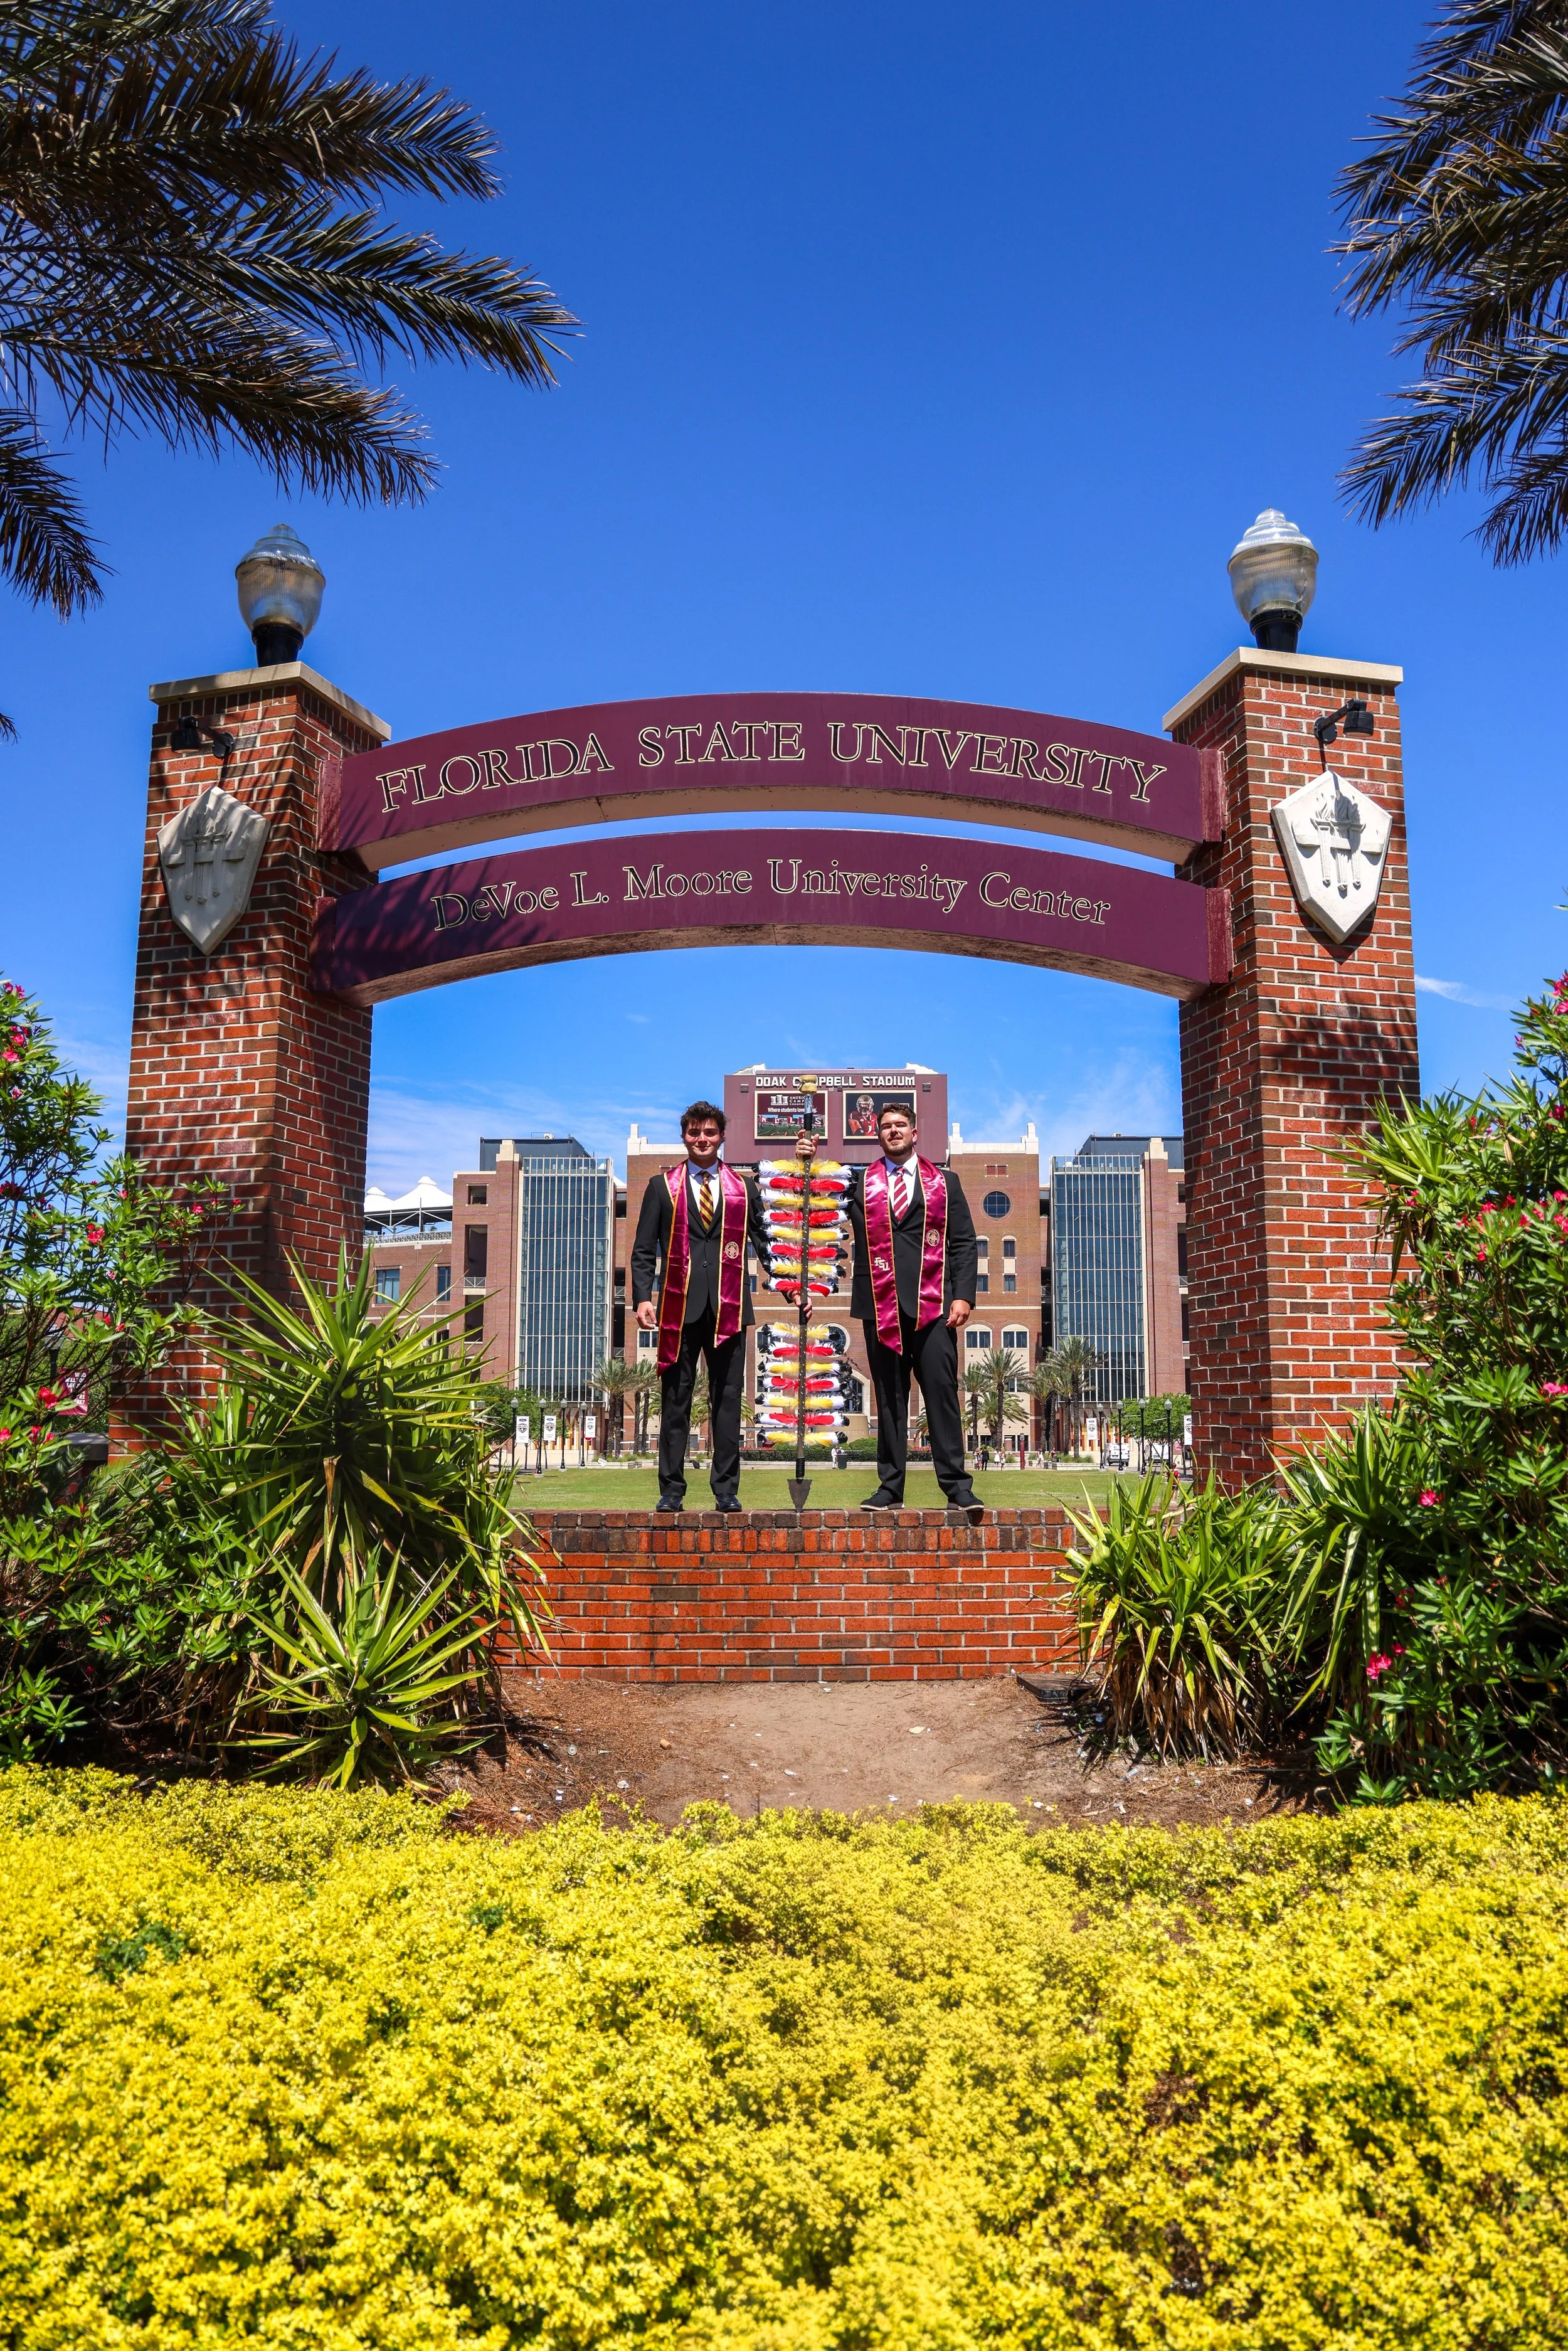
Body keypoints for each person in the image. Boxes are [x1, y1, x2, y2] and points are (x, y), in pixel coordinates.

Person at [791, 1101, 980, 1516]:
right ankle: (890, 1488)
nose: (894, 1131)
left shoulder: (945, 1183)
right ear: (879, 1135)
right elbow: (815, 1198)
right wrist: (808, 1161)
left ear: (914, 1133)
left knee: (942, 1395)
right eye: (886, 1127)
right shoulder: (862, 1183)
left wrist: (964, 1295)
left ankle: (957, 1488)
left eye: (900, 1125)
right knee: (889, 1398)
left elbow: (964, 1242)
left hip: (934, 1307)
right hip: (880, 1306)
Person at [632, 1098, 771, 1512]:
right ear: (684, 1137)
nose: (702, 1139)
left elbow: (764, 1242)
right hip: (679, 1309)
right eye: (695, 1132)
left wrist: (791, 1288)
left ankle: (726, 1489)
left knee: (727, 1400)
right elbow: (644, 1249)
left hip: (730, 1308)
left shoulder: (743, 1187)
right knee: (675, 1400)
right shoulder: (662, 1187)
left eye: (710, 1132)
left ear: (722, 1136)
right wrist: (643, 1296)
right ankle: (671, 1491)